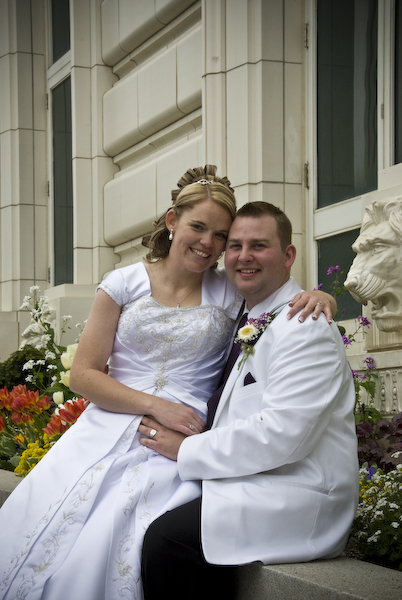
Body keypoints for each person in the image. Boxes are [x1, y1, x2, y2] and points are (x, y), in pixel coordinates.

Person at [0, 168, 335, 600]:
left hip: (184, 438)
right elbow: (83, 375)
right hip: (113, 420)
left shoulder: (228, 290)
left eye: (220, 235)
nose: (208, 243)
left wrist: (321, 296)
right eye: (199, 227)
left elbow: (271, 297)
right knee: (58, 530)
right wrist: (156, 406)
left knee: (140, 533)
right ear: (173, 220)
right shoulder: (124, 283)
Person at [139, 201, 359, 600]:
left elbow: (283, 434)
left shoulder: (305, 327)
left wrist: (185, 448)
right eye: (235, 246)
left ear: (288, 255)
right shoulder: (249, 313)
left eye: (259, 245)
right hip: (250, 476)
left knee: (168, 541)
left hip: (296, 490)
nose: (244, 256)